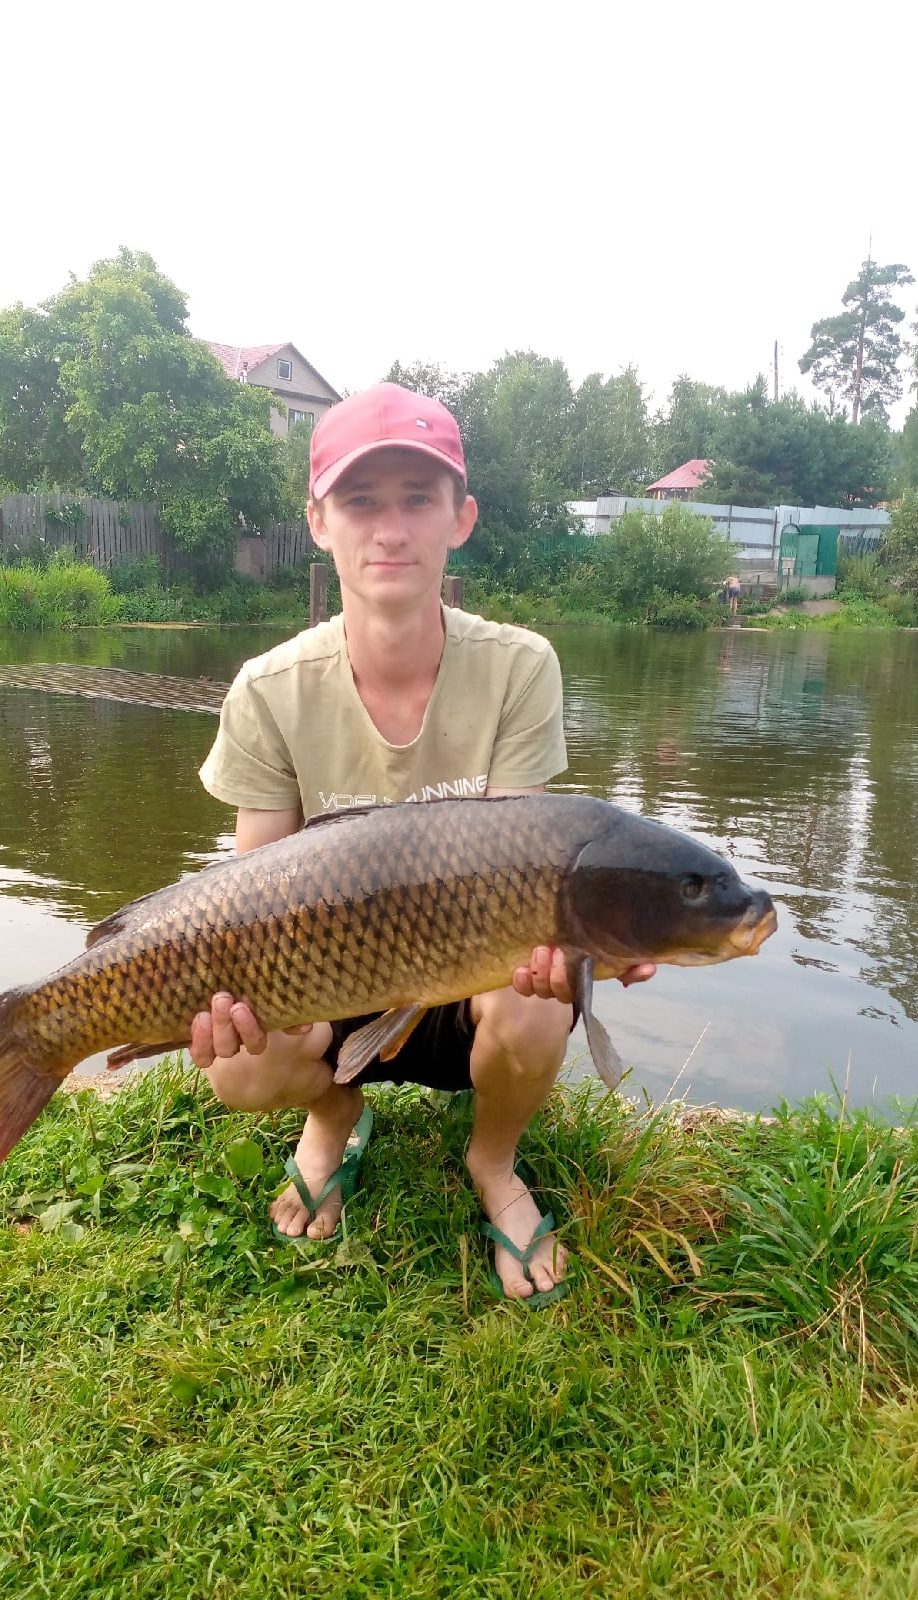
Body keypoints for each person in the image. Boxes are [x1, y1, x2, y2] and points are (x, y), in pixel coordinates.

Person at [191, 383, 654, 1304]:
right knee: (240, 1058)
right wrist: (228, 994)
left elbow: (526, 869)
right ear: (319, 521)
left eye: (418, 499)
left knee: (538, 996)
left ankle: (493, 1162)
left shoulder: (522, 666)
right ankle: (332, 1114)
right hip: (324, 972)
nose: (389, 528)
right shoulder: (267, 689)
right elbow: (254, 894)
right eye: (362, 501)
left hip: (468, 972)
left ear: (462, 518)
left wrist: (596, 940)